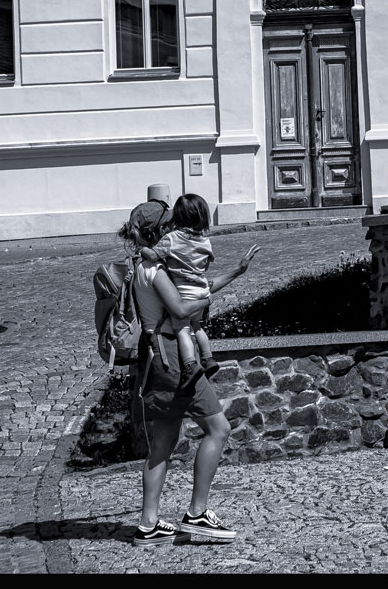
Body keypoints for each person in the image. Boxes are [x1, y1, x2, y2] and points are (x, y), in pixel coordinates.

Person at [117, 199, 260, 546]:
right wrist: (207, 300)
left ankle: (148, 524)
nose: (172, 228)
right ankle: (197, 513)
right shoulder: (157, 270)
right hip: (174, 357)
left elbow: (195, 290)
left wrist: (237, 272)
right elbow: (184, 305)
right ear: (158, 230)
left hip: (156, 356)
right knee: (219, 428)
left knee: (162, 444)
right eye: (167, 223)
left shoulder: (141, 266)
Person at [139, 193, 219, 391]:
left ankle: (190, 366)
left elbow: (153, 254)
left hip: (185, 292)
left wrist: (142, 249)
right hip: (202, 289)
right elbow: (207, 264)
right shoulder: (205, 242)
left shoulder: (172, 239)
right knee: (197, 327)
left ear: (177, 218)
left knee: (183, 330)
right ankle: (208, 359)